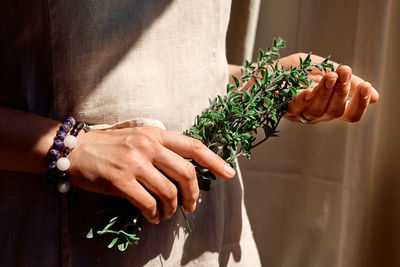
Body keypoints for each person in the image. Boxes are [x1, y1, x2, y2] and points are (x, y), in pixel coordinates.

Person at [0, 0, 378, 266]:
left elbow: (183, 69)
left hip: (211, 237)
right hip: (58, 233)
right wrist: (71, 147)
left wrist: (264, 85)